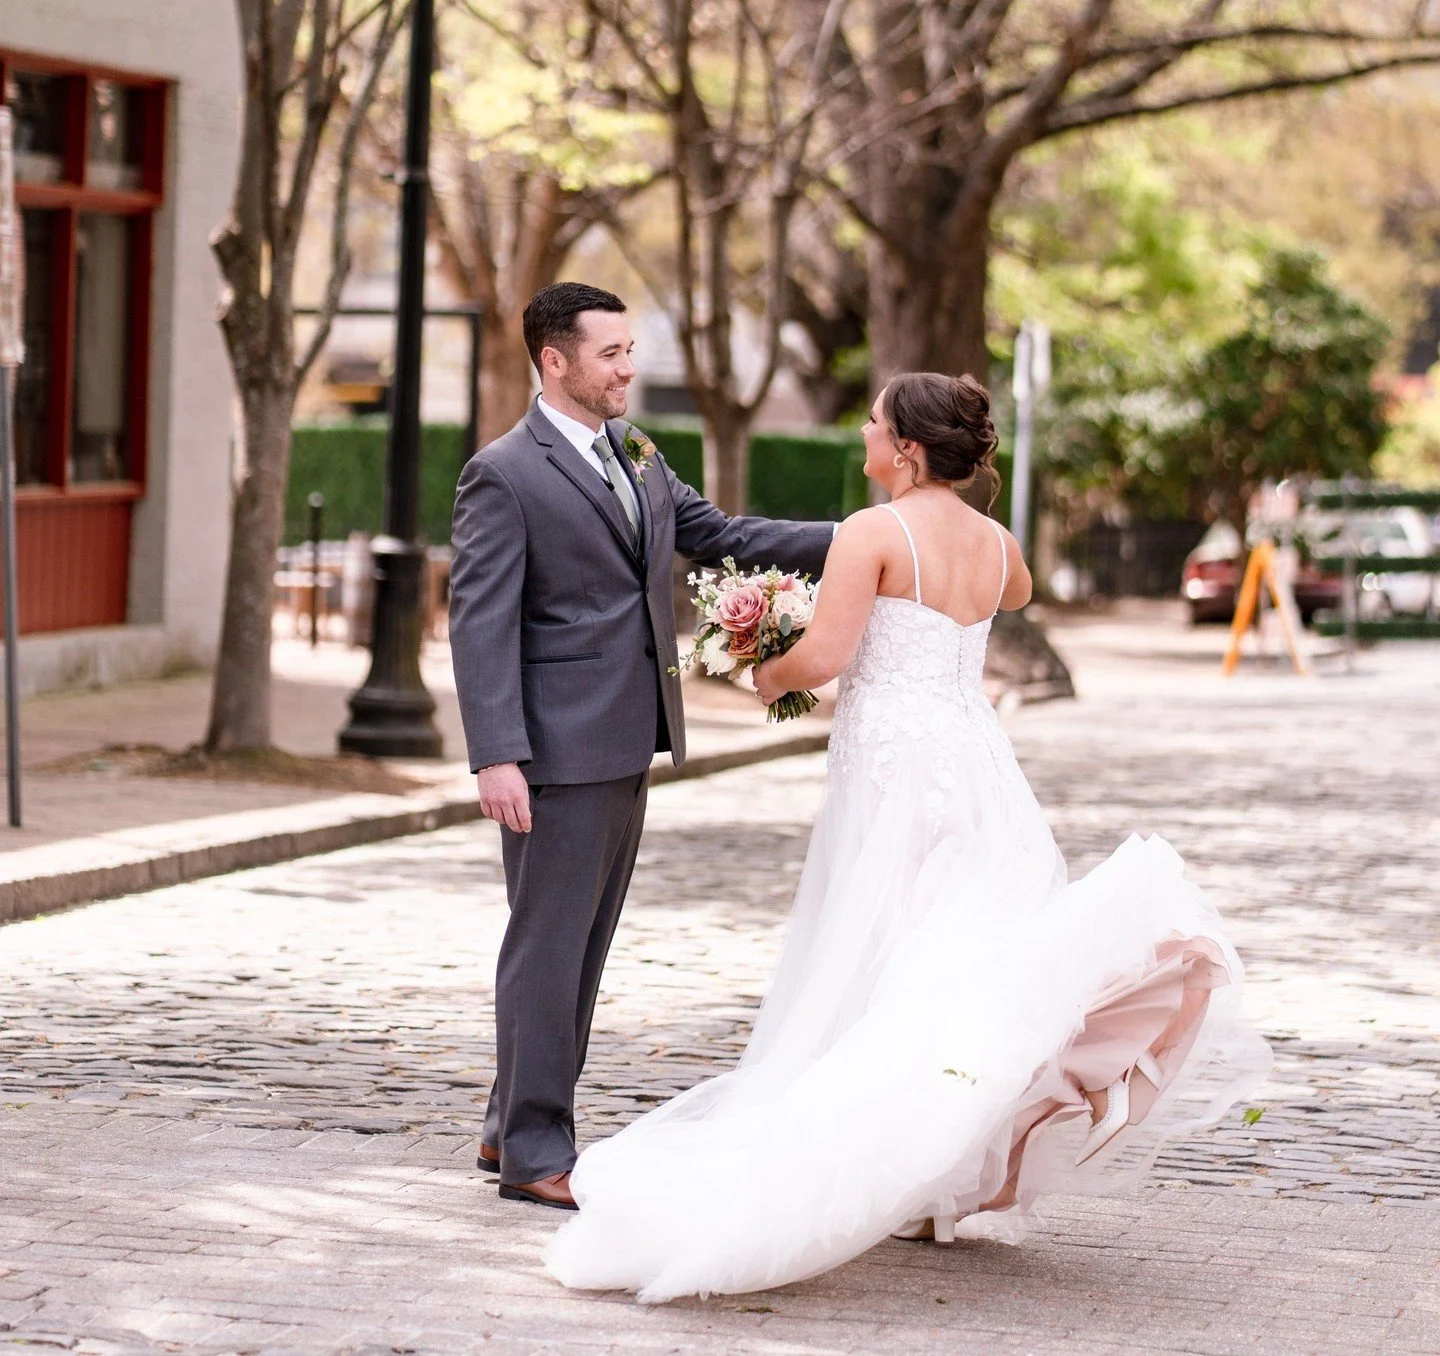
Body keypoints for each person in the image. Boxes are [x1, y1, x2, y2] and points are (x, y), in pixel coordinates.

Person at [548, 370, 1270, 1300]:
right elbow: (1012, 594)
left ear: (909, 450)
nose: (863, 429)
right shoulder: (998, 543)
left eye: (876, 422)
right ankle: (930, 1179)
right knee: (957, 961)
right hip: (975, 763)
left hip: (892, 771)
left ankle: (871, 1164)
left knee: (879, 953)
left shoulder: (872, 533)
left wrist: (762, 669)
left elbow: (828, 658)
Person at [447, 282, 835, 1211]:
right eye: (612, 353)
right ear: (556, 362)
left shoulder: (637, 447)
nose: (630, 367)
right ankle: (540, 1151)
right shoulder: (503, 472)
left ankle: (510, 1126)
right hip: (553, 749)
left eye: (629, 350)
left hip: (629, 738)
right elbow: (479, 620)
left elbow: (720, 536)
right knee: (547, 948)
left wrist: (865, 538)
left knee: (581, 945)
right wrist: (496, 752)